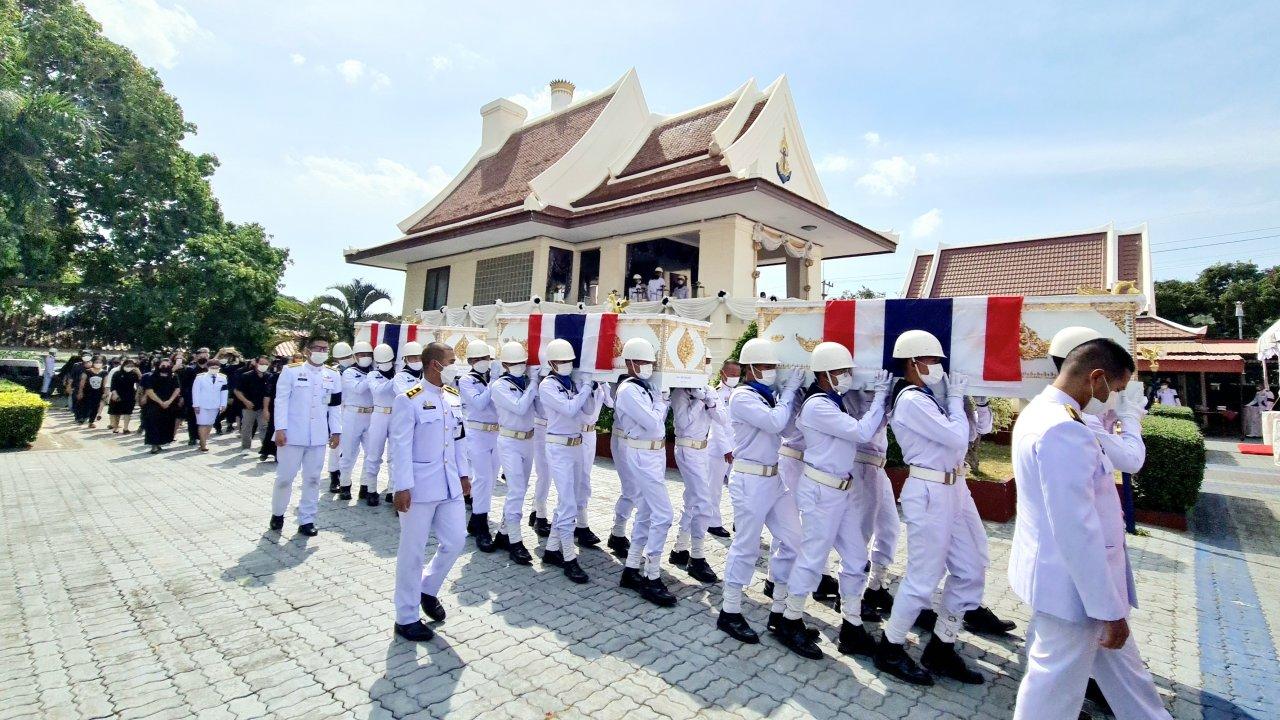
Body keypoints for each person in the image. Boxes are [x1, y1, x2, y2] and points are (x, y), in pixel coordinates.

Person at [1010, 338, 1171, 720]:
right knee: (1050, 693)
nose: (1114, 399)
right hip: (1076, 589)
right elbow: (1076, 529)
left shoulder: (1048, 413)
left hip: (1081, 583)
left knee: (1128, 678)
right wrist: (1107, 609)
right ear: (1096, 379)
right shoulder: (1063, 428)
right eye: (1114, 390)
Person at [874, 330, 1012, 687]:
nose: (939, 367)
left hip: (956, 487)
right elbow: (953, 436)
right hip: (930, 489)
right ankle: (890, 647)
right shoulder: (910, 400)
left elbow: (972, 433)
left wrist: (976, 403)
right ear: (913, 362)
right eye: (933, 361)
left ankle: (942, 644)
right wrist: (953, 398)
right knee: (923, 578)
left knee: (972, 567)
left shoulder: (932, 398)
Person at [770, 344, 894, 661]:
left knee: (855, 556)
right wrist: (880, 397)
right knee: (812, 559)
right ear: (825, 374)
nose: (848, 377)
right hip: (821, 492)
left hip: (841, 490)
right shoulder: (817, 406)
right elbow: (862, 431)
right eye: (842, 372)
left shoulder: (832, 402)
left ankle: (852, 626)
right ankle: (789, 620)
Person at [716, 338, 804, 644]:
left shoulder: (768, 396)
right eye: (767, 366)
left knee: (793, 540)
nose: (772, 371)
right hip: (750, 479)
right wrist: (789, 393)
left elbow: (791, 430)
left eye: (774, 367)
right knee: (746, 546)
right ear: (750, 368)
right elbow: (774, 423)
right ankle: (729, 611)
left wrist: (796, 397)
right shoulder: (742, 396)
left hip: (775, 478)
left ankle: (780, 610)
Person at [390, 342, 470, 642]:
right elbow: (399, 446)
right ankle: (406, 617)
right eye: (451, 361)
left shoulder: (451, 396)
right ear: (434, 364)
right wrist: (401, 487)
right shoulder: (408, 400)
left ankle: (428, 588)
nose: (455, 365)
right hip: (419, 488)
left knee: (456, 539)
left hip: (449, 483)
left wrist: (464, 474)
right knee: (412, 552)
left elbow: (459, 439)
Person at [614, 338, 678, 607]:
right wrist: (661, 400)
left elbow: (658, 426)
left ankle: (630, 569)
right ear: (629, 363)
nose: (647, 367)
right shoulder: (629, 390)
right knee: (664, 515)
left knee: (648, 512)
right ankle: (651, 576)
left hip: (653, 452)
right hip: (641, 452)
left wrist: (656, 400)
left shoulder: (644, 388)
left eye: (650, 362)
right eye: (642, 362)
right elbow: (653, 424)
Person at [536, 339, 596, 584]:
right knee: (568, 503)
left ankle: (551, 550)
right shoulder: (548, 385)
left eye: (569, 361)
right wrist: (584, 388)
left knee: (574, 498)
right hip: (558, 447)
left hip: (576, 444)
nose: (566, 365)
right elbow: (571, 410)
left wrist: (592, 388)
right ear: (551, 363)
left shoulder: (571, 383)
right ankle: (569, 558)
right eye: (561, 361)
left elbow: (589, 410)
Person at [270, 338, 342, 536]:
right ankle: (278, 514)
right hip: (292, 434)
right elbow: (281, 401)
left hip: (318, 436)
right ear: (307, 351)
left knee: (312, 479)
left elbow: (335, 406)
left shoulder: (333, 375)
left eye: (325, 349)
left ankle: (307, 519)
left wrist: (336, 431)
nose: (321, 351)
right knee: (285, 478)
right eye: (318, 348)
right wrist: (280, 428)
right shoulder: (291, 371)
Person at [667, 354, 723, 584]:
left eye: (709, 362)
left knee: (692, 500)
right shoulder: (681, 392)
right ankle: (697, 557)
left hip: (703, 450)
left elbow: (723, 419)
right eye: (704, 362)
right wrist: (699, 401)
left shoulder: (708, 389)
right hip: (686, 449)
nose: (707, 366)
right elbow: (684, 424)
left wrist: (709, 399)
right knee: (703, 501)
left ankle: (680, 549)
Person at [491, 341, 541, 565]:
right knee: (517, 490)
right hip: (509, 441)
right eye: (514, 363)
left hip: (528, 440)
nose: (520, 366)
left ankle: (503, 532)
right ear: (505, 365)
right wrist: (533, 384)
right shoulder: (500, 386)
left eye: (522, 362)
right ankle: (515, 540)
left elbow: (537, 410)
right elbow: (520, 407)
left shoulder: (525, 384)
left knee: (520, 489)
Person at [458, 341, 500, 551]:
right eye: (481, 359)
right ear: (472, 361)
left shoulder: (494, 379)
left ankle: (476, 519)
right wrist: (493, 382)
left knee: (491, 479)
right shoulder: (466, 380)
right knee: (482, 478)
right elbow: (480, 403)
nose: (486, 362)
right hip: (477, 432)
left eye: (488, 359)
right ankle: (482, 525)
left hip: (496, 433)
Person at [336, 341, 376, 501]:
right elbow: (359, 389)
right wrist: (373, 377)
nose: (365, 357)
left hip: (371, 415)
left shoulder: (375, 371)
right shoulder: (349, 373)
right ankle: (345, 484)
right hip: (353, 415)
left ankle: (365, 485)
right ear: (354, 356)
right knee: (349, 453)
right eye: (361, 355)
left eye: (368, 354)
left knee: (371, 453)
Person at [360, 344, 397, 506]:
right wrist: (396, 380)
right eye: (382, 360)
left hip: (396, 416)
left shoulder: (399, 373)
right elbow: (378, 390)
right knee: (374, 454)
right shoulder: (373, 375)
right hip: (379, 415)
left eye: (388, 360)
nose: (386, 363)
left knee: (395, 456)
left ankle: (392, 490)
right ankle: (371, 489)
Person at [706, 359, 739, 538]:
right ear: (722, 374)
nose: (734, 377)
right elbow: (717, 424)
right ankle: (713, 522)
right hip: (719, 448)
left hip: (737, 448)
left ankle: (739, 521)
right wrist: (726, 449)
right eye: (731, 374)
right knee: (715, 487)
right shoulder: (716, 393)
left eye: (737, 374)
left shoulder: (740, 393)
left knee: (738, 487)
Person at [327, 341, 355, 491]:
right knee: (336, 445)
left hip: (353, 410)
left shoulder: (360, 370)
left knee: (351, 448)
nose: (344, 359)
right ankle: (334, 476)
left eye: (347, 356)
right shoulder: (332, 372)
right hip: (337, 410)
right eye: (341, 357)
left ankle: (347, 477)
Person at [143, 360, 182, 453]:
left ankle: (161, 442)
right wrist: (161, 402)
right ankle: (154, 445)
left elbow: (177, 389)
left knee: (166, 424)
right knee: (153, 424)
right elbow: (149, 391)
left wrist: (169, 401)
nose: (165, 366)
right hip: (153, 404)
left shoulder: (173, 376)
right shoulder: (151, 376)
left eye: (168, 364)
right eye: (163, 364)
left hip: (169, 405)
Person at [191, 358, 228, 452]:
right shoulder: (200, 377)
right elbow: (195, 392)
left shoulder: (223, 378)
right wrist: (196, 405)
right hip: (202, 405)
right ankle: (203, 444)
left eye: (216, 367)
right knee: (202, 423)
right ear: (208, 367)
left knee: (210, 424)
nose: (214, 369)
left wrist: (223, 404)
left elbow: (224, 392)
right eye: (212, 367)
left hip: (215, 405)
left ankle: (203, 440)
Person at [235, 357, 272, 451]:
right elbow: (237, 391)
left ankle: (265, 449)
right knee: (247, 427)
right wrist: (245, 401)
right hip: (248, 407)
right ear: (256, 363)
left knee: (264, 427)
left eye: (266, 364)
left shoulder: (270, 376)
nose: (263, 366)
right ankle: (246, 447)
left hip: (263, 407)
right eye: (261, 363)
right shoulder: (246, 376)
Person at [180, 348, 210, 445]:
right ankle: (192, 437)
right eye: (201, 356)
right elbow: (184, 384)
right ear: (196, 357)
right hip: (193, 398)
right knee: (192, 418)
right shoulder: (190, 369)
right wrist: (183, 397)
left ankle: (202, 437)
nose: (203, 357)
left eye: (205, 356)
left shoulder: (211, 369)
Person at [107, 358, 142, 434]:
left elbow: (141, 382)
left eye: (132, 366)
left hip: (129, 395)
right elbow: (113, 386)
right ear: (123, 365)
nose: (130, 367)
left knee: (128, 412)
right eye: (128, 365)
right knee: (116, 413)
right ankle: (116, 427)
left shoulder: (134, 374)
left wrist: (139, 373)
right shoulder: (117, 373)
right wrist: (115, 394)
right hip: (118, 394)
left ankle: (125, 428)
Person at [77, 358, 108, 427]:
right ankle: (82, 417)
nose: (98, 364)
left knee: (95, 407)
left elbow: (105, 383)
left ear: (103, 364)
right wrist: (80, 392)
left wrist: (105, 393)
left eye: (100, 362)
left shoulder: (104, 372)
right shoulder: (87, 371)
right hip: (87, 392)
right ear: (93, 363)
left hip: (98, 393)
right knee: (86, 405)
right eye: (96, 362)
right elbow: (82, 382)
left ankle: (91, 422)